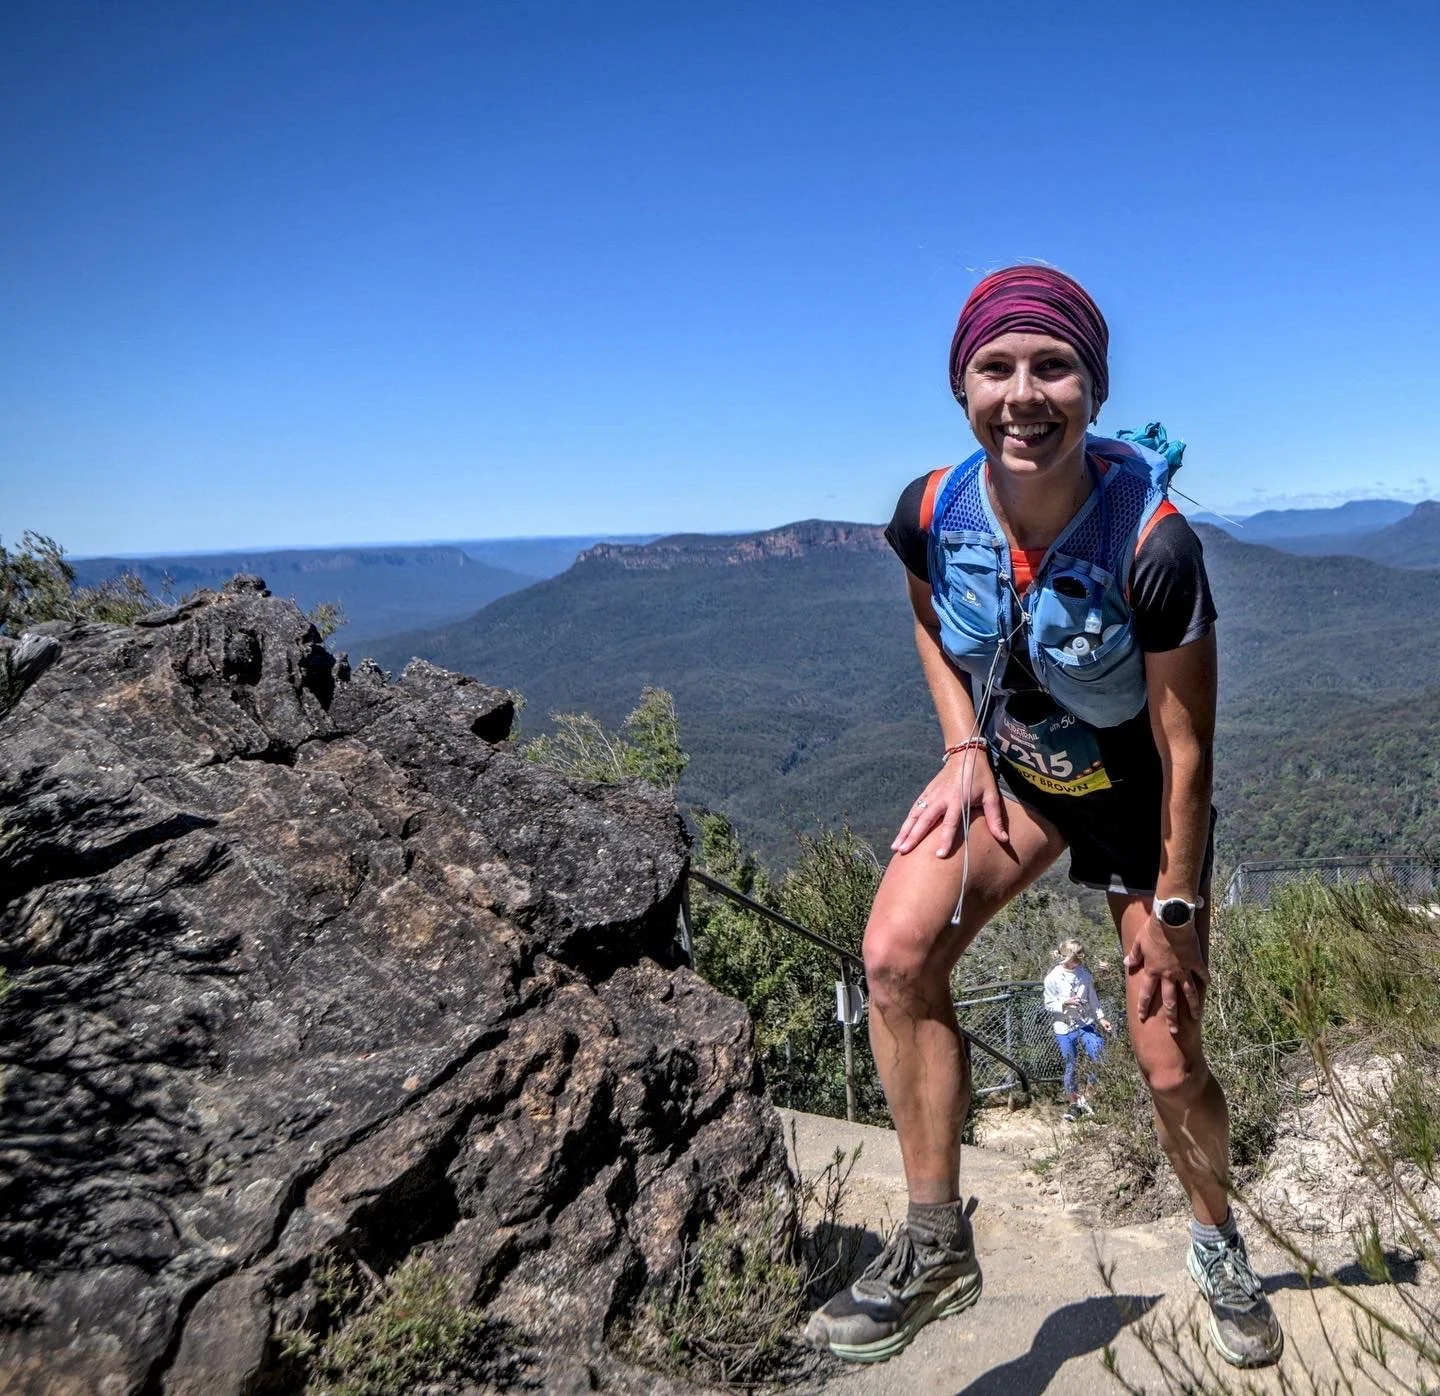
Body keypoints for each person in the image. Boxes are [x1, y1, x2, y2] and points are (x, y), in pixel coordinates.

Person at [804, 265, 1283, 1369]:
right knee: (893, 955)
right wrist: (961, 744)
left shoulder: (1153, 546)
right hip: (1018, 768)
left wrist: (1174, 898)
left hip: (1135, 803)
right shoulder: (932, 510)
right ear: (962, 389)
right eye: (996, 368)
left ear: (1095, 389)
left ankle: (1218, 1244)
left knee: (1168, 1061)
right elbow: (930, 614)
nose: (1025, 393)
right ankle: (934, 1243)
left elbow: (1185, 752)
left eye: (1053, 366)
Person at [1042, 938, 1112, 1120]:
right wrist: (1064, 1002)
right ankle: (1073, 1104)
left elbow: (1092, 997)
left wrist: (1101, 1017)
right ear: (1068, 958)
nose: (1080, 961)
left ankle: (1086, 1098)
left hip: (1085, 1022)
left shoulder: (1084, 974)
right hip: (1064, 1026)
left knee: (1099, 1053)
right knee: (1071, 1064)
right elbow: (1048, 1004)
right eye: (1077, 958)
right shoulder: (1052, 978)